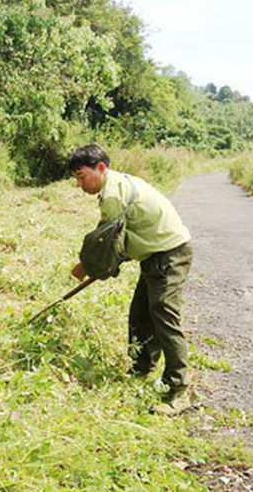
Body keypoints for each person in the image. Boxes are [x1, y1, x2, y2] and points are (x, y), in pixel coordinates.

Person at [69, 144, 193, 416]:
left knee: (163, 315)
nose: (80, 185)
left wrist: (89, 267)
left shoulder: (113, 193)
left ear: (101, 168)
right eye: (76, 179)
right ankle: (141, 370)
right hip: (154, 255)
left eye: (81, 177)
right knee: (140, 315)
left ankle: (179, 390)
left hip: (170, 254)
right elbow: (116, 244)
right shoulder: (116, 183)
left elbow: (106, 246)